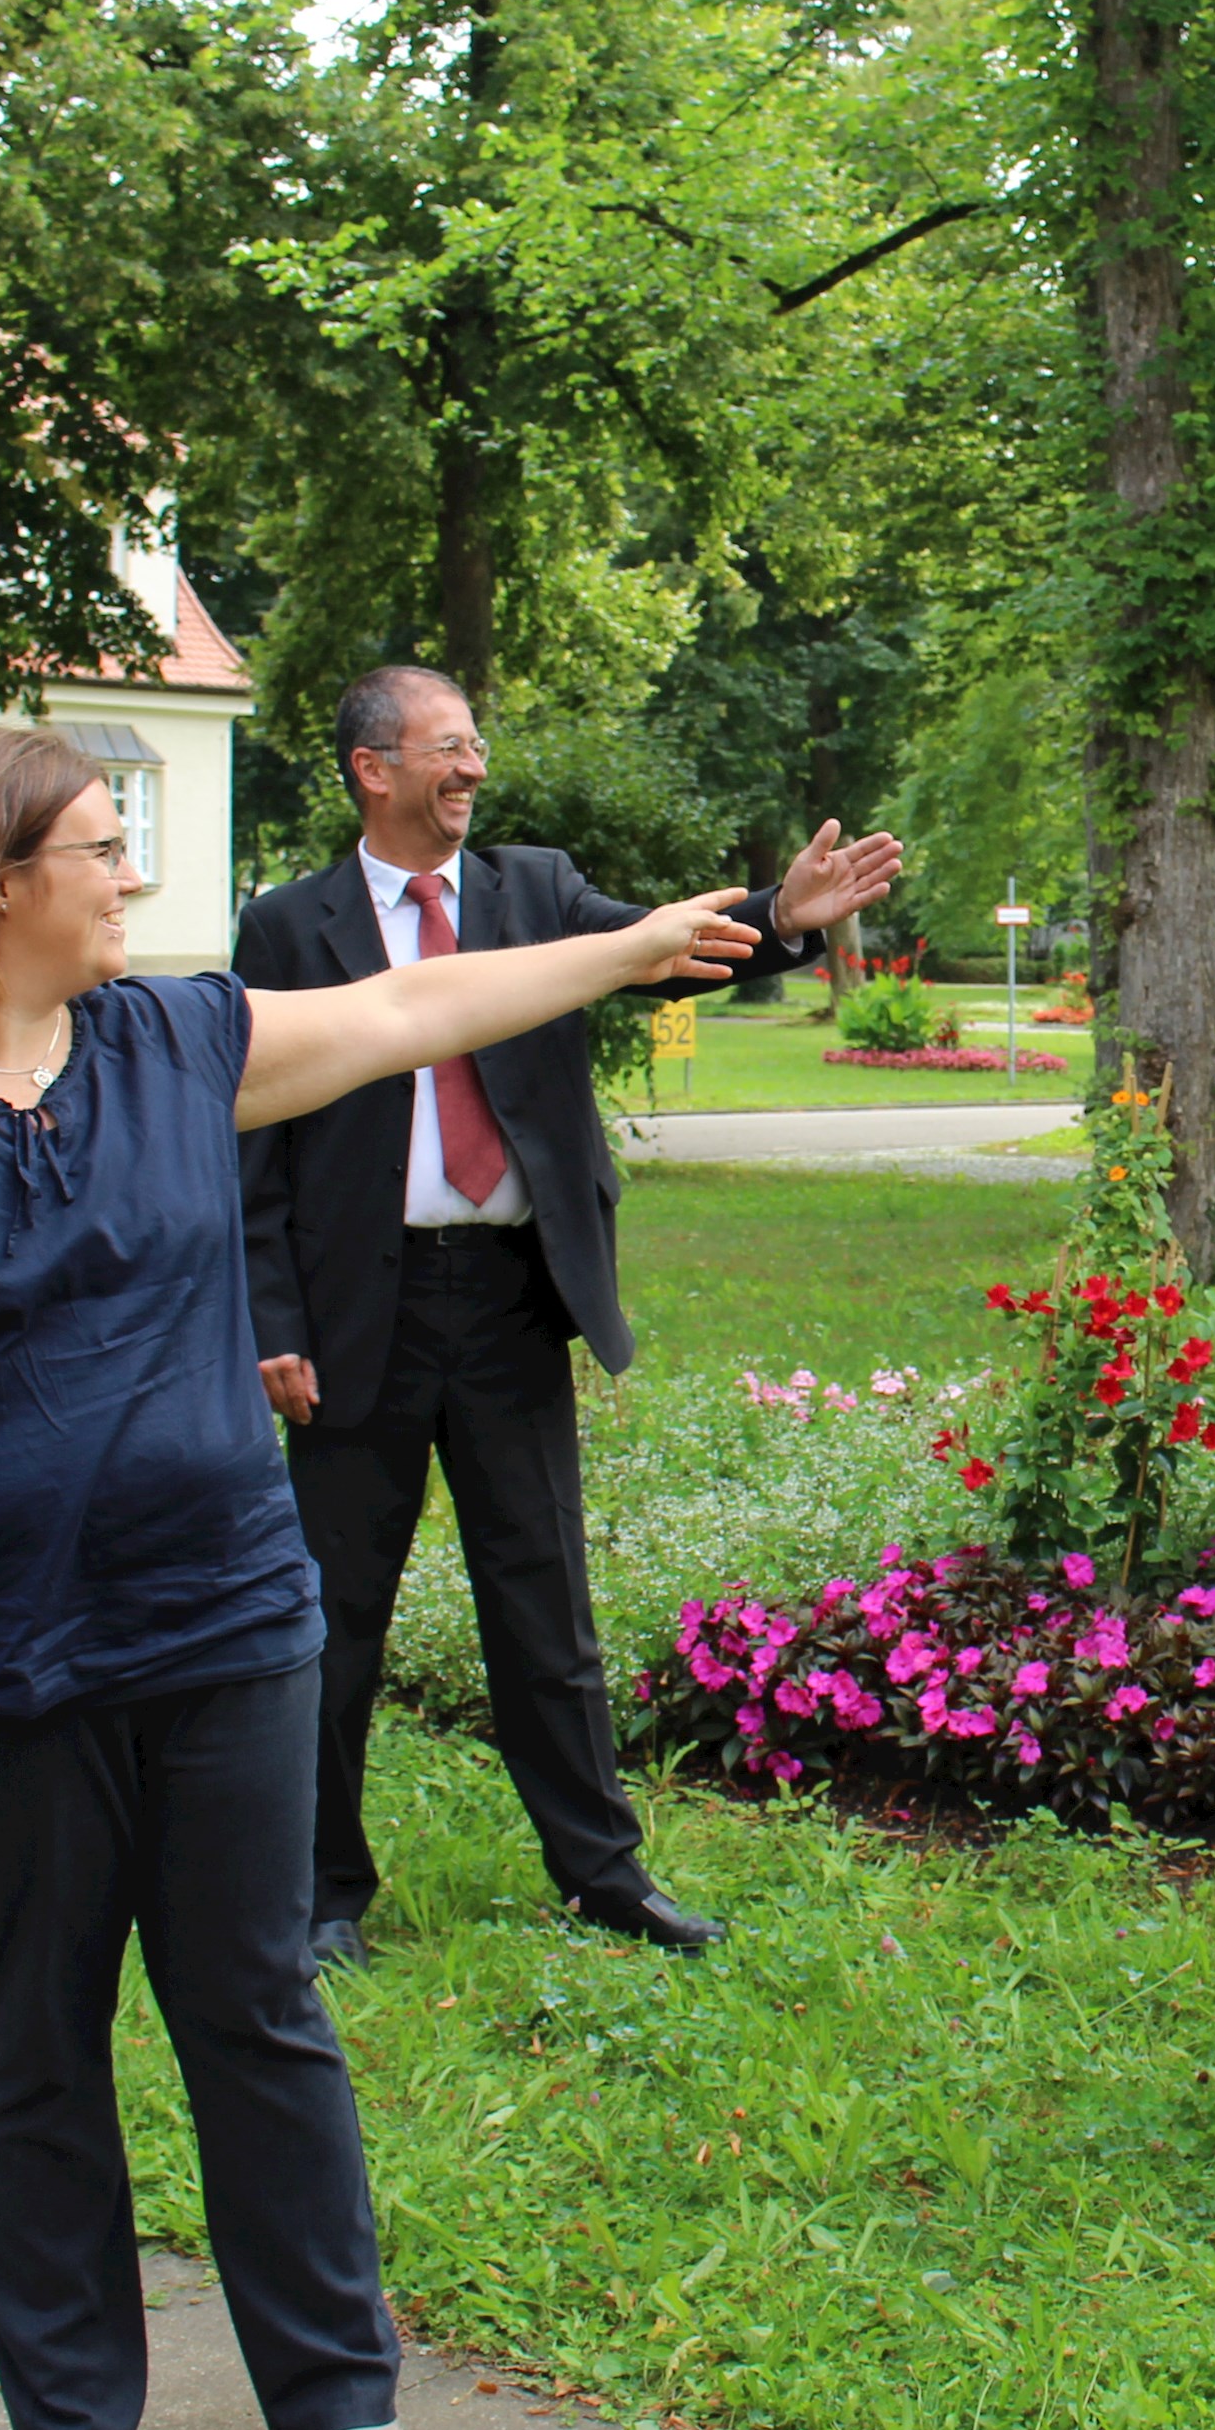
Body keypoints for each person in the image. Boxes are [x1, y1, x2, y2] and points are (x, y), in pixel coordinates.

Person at [0, 720, 759, 2430]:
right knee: (36, 2028)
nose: (131, 879)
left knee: (254, 2008)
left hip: (224, 1627)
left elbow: (428, 1009)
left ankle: (337, 2392)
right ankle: (74, 2420)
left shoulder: (175, 1044)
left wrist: (626, 942)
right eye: (103, 847)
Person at [236, 665, 902, 1970]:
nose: (473, 766)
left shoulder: (534, 891)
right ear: (373, 769)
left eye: (478, 742)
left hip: (509, 1298)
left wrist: (782, 917)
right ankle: (320, 1894)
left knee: (545, 1610)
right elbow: (252, 1138)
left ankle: (602, 1874)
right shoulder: (288, 927)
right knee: (334, 1619)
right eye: (446, 747)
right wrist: (271, 1318)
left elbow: (658, 952)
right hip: (354, 1309)